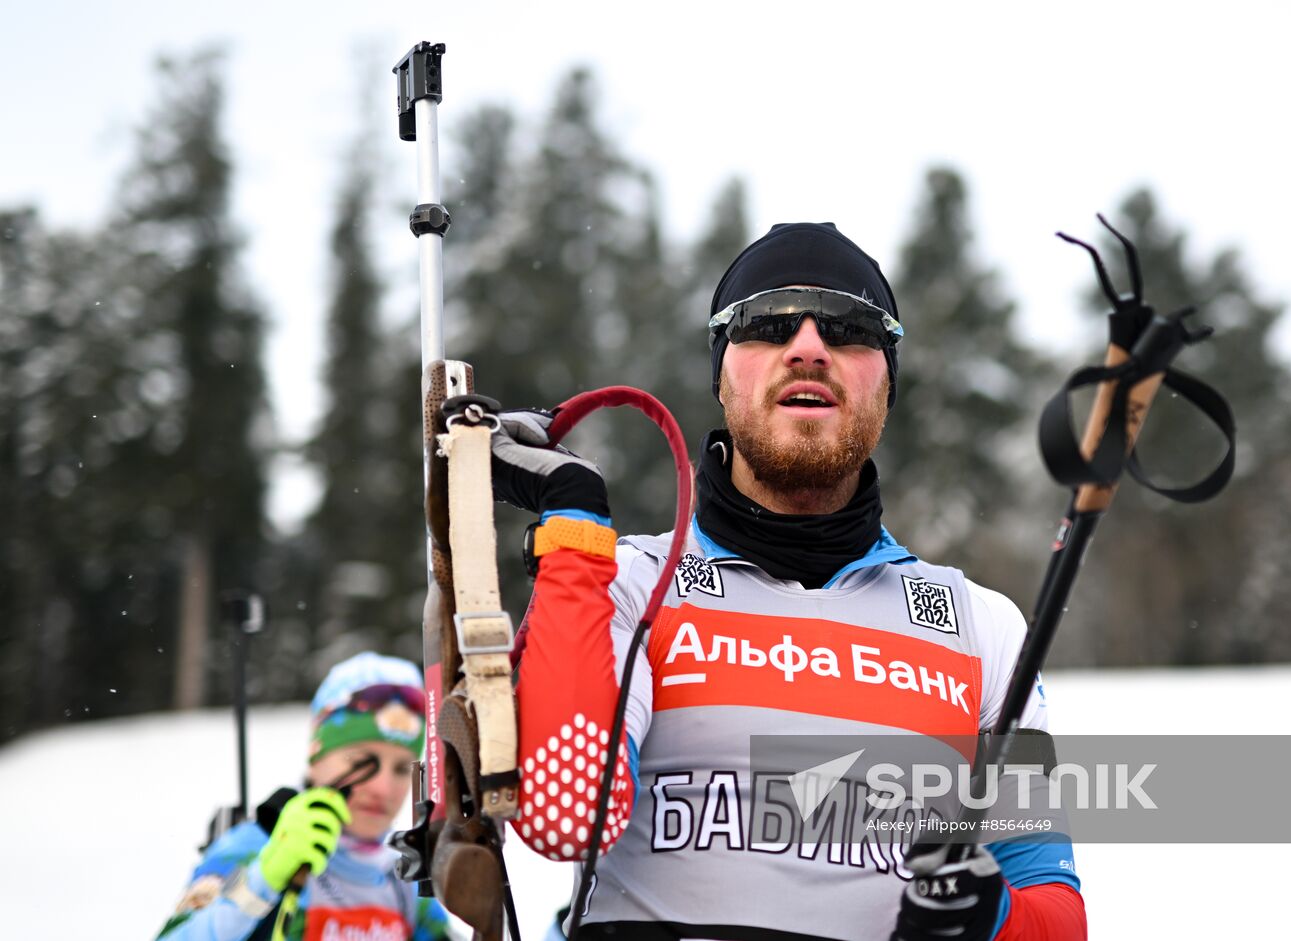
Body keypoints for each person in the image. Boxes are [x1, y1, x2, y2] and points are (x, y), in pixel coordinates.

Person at [490, 222, 1087, 939]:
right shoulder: (630, 581)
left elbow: (1057, 914)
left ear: (888, 381)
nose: (808, 346)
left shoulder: (981, 628)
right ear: (721, 374)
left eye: (848, 326)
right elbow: (566, 812)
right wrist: (574, 529)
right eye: (767, 323)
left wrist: (992, 916)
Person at [156, 652, 451, 941]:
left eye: (401, 769)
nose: (383, 788)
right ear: (315, 755)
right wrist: (263, 880)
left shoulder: (403, 878)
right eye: (361, 762)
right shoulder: (255, 848)